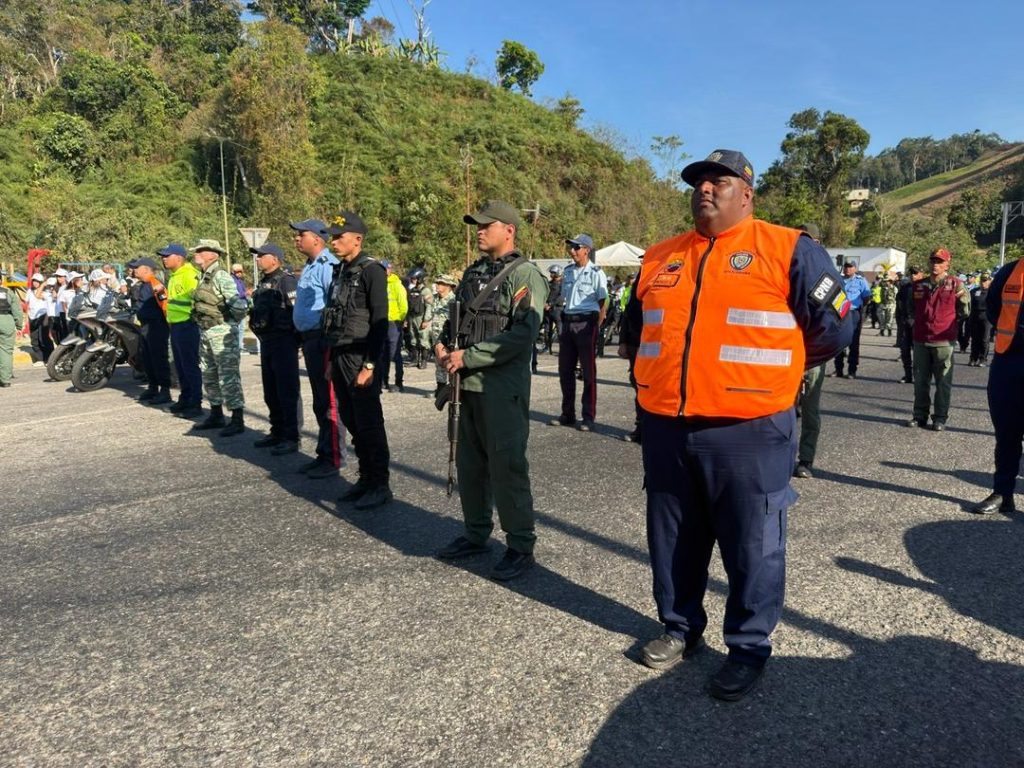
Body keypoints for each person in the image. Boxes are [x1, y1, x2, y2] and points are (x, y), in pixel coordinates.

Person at [633, 149, 852, 701]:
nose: (705, 189)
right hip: (668, 425)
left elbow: (834, 328)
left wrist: (773, 378)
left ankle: (749, 645)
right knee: (674, 538)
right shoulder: (659, 258)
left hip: (751, 428)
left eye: (719, 181)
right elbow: (638, 333)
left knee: (752, 542)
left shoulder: (787, 248)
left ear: (747, 194)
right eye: (698, 182)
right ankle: (680, 628)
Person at [434, 200, 549, 582]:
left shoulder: (526, 275)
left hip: (501, 389)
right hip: (466, 387)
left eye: (486, 225)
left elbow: (522, 335)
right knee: (469, 465)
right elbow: (455, 319)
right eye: (477, 225)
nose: (479, 231)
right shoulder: (473, 273)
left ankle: (520, 545)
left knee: (507, 468)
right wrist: (441, 344)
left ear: (510, 230)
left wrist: (470, 357)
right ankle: (475, 532)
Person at [322, 211, 393, 509]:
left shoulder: (372, 270)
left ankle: (380, 484)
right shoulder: (341, 271)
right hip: (340, 354)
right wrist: (330, 359)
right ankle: (365, 478)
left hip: (361, 356)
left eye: (339, 237)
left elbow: (380, 321)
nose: (334, 242)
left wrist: (369, 365)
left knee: (369, 422)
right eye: (332, 237)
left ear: (358, 239)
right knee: (351, 420)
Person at [291, 218, 345, 479]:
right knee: (319, 400)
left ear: (317, 238)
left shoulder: (328, 266)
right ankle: (324, 453)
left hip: (322, 340)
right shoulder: (310, 265)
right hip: (309, 339)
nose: (296, 239)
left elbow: (334, 307)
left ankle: (333, 457)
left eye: (301, 235)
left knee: (328, 402)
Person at [970, 257, 1024, 515]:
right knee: (1006, 431)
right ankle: (1003, 493)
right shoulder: (1010, 271)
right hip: (1009, 359)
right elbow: (993, 308)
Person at [549, 233, 607, 432]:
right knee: (565, 370)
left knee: (588, 372)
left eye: (576, 247)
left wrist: (596, 326)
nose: (571, 251)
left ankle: (588, 416)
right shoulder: (568, 272)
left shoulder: (596, 272)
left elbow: (602, 302)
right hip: (568, 322)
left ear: (586, 250)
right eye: (571, 247)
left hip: (586, 324)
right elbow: (566, 298)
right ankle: (568, 413)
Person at [906, 248, 969, 431]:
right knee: (920, 381)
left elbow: (964, 311)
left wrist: (948, 323)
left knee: (943, 382)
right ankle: (919, 416)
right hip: (921, 340)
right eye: (933, 261)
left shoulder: (956, 284)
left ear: (947, 264)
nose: (935, 264)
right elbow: (910, 308)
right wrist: (915, 323)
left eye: (940, 261)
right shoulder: (919, 285)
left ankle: (940, 418)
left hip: (943, 340)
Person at [189, 239, 247, 436]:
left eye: (201, 250)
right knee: (209, 374)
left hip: (221, 331)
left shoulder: (221, 276)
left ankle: (237, 419)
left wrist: (230, 325)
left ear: (213, 255)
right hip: (205, 331)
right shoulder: (203, 276)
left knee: (228, 376)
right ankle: (216, 414)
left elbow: (238, 305)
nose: (197, 253)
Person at [249, 243, 301, 455]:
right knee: (271, 391)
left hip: (284, 342)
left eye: (262, 256)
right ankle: (277, 430)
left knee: (287, 391)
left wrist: (297, 343)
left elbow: (296, 312)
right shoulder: (264, 282)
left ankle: (291, 436)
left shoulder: (286, 280)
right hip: (267, 341)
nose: (258, 259)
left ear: (275, 259)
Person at [792, 223, 828, 480]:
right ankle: (781, 456)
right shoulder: (785, 269)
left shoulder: (825, 273)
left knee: (810, 410)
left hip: (812, 355)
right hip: (785, 355)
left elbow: (836, 322)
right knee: (781, 411)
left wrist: (819, 352)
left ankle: (805, 459)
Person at [159, 243, 204, 418]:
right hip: (176, 326)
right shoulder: (174, 276)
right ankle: (185, 398)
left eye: (167, 255)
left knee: (190, 366)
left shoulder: (189, 274)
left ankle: (195, 402)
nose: (163, 258)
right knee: (180, 366)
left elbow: (197, 301)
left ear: (178, 257)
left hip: (188, 325)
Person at [129, 257, 172, 405]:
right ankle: (153, 387)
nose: (134, 270)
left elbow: (165, 305)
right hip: (146, 326)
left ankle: (165, 391)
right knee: (147, 358)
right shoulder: (143, 285)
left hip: (157, 326)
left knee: (158, 358)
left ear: (147, 269)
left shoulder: (155, 284)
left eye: (137, 267)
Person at [831, 259, 871, 378]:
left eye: (850, 267)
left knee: (853, 342)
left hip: (853, 313)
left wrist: (858, 307)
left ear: (855, 268)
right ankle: (838, 369)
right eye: (846, 267)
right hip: (840, 313)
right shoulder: (839, 279)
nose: (848, 269)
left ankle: (852, 370)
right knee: (839, 341)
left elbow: (866, 297)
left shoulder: (861, 281)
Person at [428, 274, 458, 399]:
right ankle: (440, 390)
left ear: (449, 286)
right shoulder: (434, 298)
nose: (438, 286)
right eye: (438, 283)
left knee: (450, 363)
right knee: (439, 364)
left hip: (448, 337)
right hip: (435, 337)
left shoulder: (454, 300)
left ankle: (454, 391)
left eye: (441, 283)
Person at [380, 260, 408, 392]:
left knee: (395, 354)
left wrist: (400, 320)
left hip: (394, 323)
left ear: (390, 269)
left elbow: (404, 306)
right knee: (382, 354)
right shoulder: (378, 283)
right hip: (381, 322)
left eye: (386, 268)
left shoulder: (397, 285)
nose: (384, 271)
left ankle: (398, 382)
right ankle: (383, 381)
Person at [895, 266, 924, 383]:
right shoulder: (905, 287)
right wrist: (900, 319)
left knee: (918, 352)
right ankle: (907, 375)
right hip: (905, 322)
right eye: (911, 273)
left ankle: (918, 376)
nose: (913, 275)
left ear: (921, 274)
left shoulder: (924, 287)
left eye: (916, 273)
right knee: (905, 350)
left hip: (919, 323)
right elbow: (899, 304)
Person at [405, 267, 434, 369]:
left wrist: (426, 320)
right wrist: (407, 319)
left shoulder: (426, 291)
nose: (412, 280)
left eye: (414, 278)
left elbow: (429, 306)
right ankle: (414, 359)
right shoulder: (412, 290)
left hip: (422, 318)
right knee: (413, 338)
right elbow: (409, 305)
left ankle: (424, 360)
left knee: (423, 339)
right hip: (412, 317)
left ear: (420, 278)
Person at [0, 269, 25, 386]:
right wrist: (19, 325)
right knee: (6, 351)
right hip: (6, 322)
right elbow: (17, 311)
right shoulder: (8, 292)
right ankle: (5, 380)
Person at [967, 272, 993, 367]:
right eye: (982, 280)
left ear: (989, 281)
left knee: (984, 339)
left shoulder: (992, 292)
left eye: (986, 281)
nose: (983, 283)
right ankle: (973, 358)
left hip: (987, 317)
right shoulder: (974, 291)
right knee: (974, 339)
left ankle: (983, 359)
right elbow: (969, 305)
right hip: (975, 316)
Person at [26, 273, 52, 366]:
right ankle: (40, 358)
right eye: (34, 281)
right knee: (34, 338)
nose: (35, 283)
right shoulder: (29, 291)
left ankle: (49, 358)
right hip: (32, 317)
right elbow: (28, 304)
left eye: (37, 281)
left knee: (43, 337)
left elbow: (38, 295)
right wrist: (26, 317)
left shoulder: (46, 292)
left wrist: (42, 286)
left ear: (41, 283)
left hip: (43, 316)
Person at [231, 263, 249, 353]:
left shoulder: (240, 281)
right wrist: (245, 294)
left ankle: (240, 346)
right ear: (233, 272)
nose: (239, 273)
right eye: (237, 272)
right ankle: (237, 347)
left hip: (242, 306)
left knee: (241, 327)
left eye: (240, 272)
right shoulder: (232, 281)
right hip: (236, 307)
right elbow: (235, 295)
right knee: (237, 328)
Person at [878, 271, 898, 337]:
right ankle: (882, 331)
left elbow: (896, 297)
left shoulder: (894, 288)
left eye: (887, 281)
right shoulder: (882, 288)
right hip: (883, 304)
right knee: (882, 318)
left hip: (891, 305)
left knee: (890, 318)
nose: (886, 282)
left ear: (890, 281)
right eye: (884, 281)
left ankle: (889, 331)